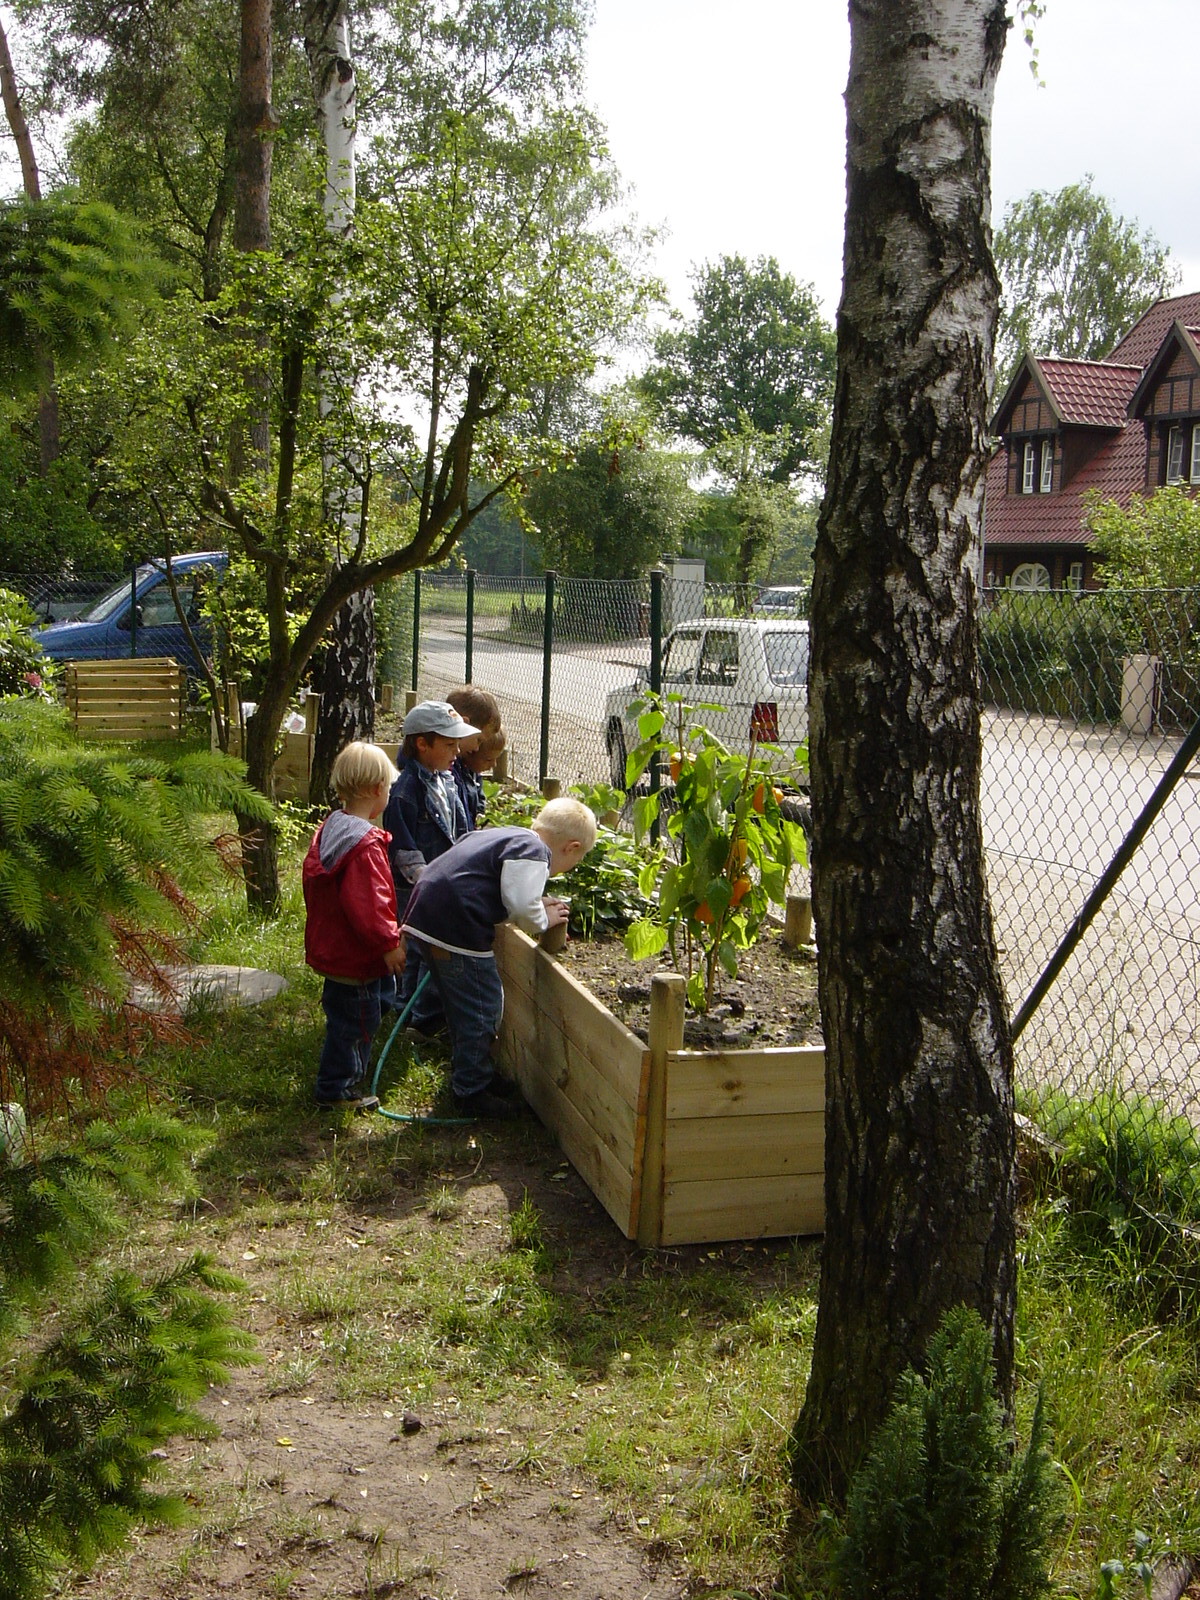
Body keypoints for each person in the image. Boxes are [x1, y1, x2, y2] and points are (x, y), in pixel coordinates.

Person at [400, 797, 598, 1118]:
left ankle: (474, 1070)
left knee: (462, 1003)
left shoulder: (508, 836)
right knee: (483, 1006)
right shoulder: (535, 854)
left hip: (430, 914)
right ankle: (471, 1091)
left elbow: (494, 886)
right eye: (578, 859)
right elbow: (522, 907)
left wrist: (535, 901)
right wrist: (543, 919)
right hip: (458, 926)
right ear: (572, 847)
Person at [303, 741, 407, 1111]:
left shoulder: (333, 827)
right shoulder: (363, 846)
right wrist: (389, 942)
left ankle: (343, 1080)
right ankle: (336, 1090)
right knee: (355, 1026)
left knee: (351, 1015)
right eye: (389, 788)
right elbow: (370, 904)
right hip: (356, 956)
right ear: (378, 790)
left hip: (337, 950)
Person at [383, 700, 481, 1037]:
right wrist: (431, 883)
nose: (458, 752)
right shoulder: (404, 792)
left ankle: (415, 1016)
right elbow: (404, 849)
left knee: (428, 953)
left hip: (441, 883)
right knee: (418, 954)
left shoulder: (447, 780)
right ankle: (410, 1017)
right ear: (422, 744)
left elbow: (460, 829)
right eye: (450, 745)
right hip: (416, 889)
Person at [445, 685, 502, 830]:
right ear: (464, 724)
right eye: (479, 740)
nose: (477, 748)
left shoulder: (462, 765)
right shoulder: (446, 765)